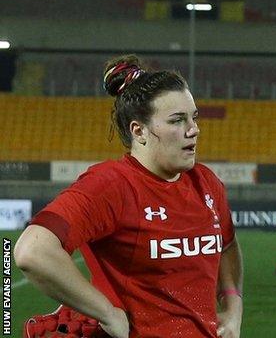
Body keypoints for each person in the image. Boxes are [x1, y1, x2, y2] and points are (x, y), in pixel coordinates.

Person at [14, 54, 243, 338]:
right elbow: (33, 251)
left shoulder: (206, 182)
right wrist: (107, 313)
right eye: (177, 120)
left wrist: (233, 306)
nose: (194, 129)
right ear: (139, 131)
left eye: (193, 118)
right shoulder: (112, 185)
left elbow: (228, 246)